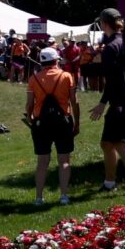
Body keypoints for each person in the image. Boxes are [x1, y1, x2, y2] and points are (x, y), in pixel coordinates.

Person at [87, 8, 125, 196]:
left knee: (121, 143)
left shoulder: (111, 47)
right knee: (107, 143)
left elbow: (113, 80)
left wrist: (102, 103)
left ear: (104, 24)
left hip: (122, 100)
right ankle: (109, 182)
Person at [25, 44, 79, 209]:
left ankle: (39, 198)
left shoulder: (33, 79)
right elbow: (74, 102)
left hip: (41, 123)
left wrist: (30, 120)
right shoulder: (66, 76)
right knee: (64, 160)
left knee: (42, 162)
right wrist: (77, 123)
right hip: (63, 121)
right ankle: (63, 196)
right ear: (56, 60)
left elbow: (29, 105)